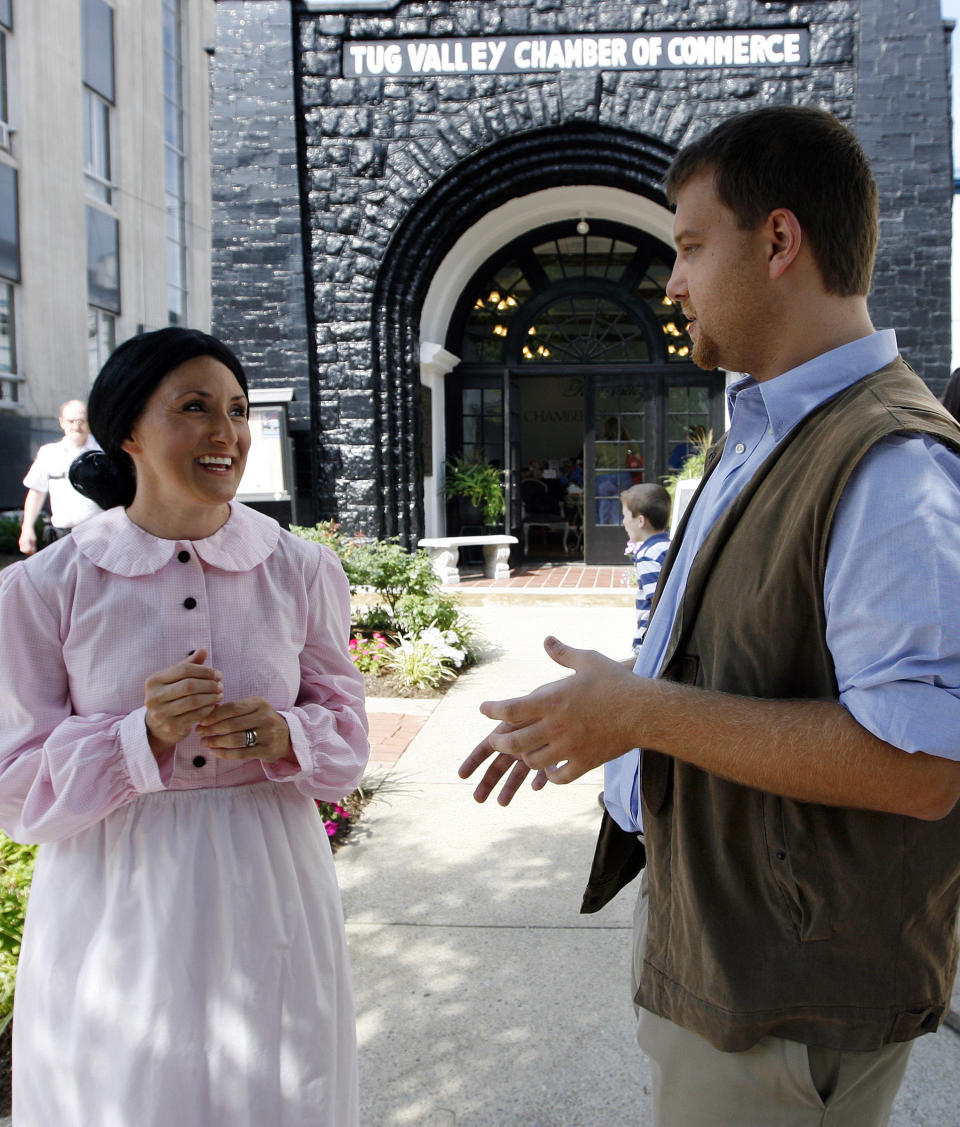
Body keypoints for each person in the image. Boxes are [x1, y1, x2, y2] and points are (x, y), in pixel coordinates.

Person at [460, 105, 960, 1127]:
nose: (674, 278)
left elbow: (924, 765)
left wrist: (641, 711)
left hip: (786, 1001)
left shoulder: (894, 463)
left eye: (690, 244)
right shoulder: (769, 420)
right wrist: (607, 701)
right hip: (733, 964)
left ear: (780, 241)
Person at [0, 327, 369, 1126]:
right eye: (194, 407)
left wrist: (285, 736)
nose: (226, 432)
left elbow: (346, 743)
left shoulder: (299, 569)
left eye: (236, 410)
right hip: (113, 892)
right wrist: (140, 741)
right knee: (121, 1096)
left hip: (268, 878)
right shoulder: (47, 585)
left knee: (276, 1086)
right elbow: (13, 782)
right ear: (127, 428)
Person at [17, 399, 101, 553]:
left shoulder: (105, 453)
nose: (76, 426)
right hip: (61, 538)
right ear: (62, 422)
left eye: (81, 421)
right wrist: (27, 528)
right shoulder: (49, 453)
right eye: (71, 421)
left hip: (100, 537)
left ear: (90, 422)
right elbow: (37, 491)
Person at [620, 483, 671, 652]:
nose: (623, 522)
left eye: (625, 516)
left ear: (641, 520)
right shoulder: (670, 547)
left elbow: (657, 602)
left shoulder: (647, 555)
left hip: (650, 643)